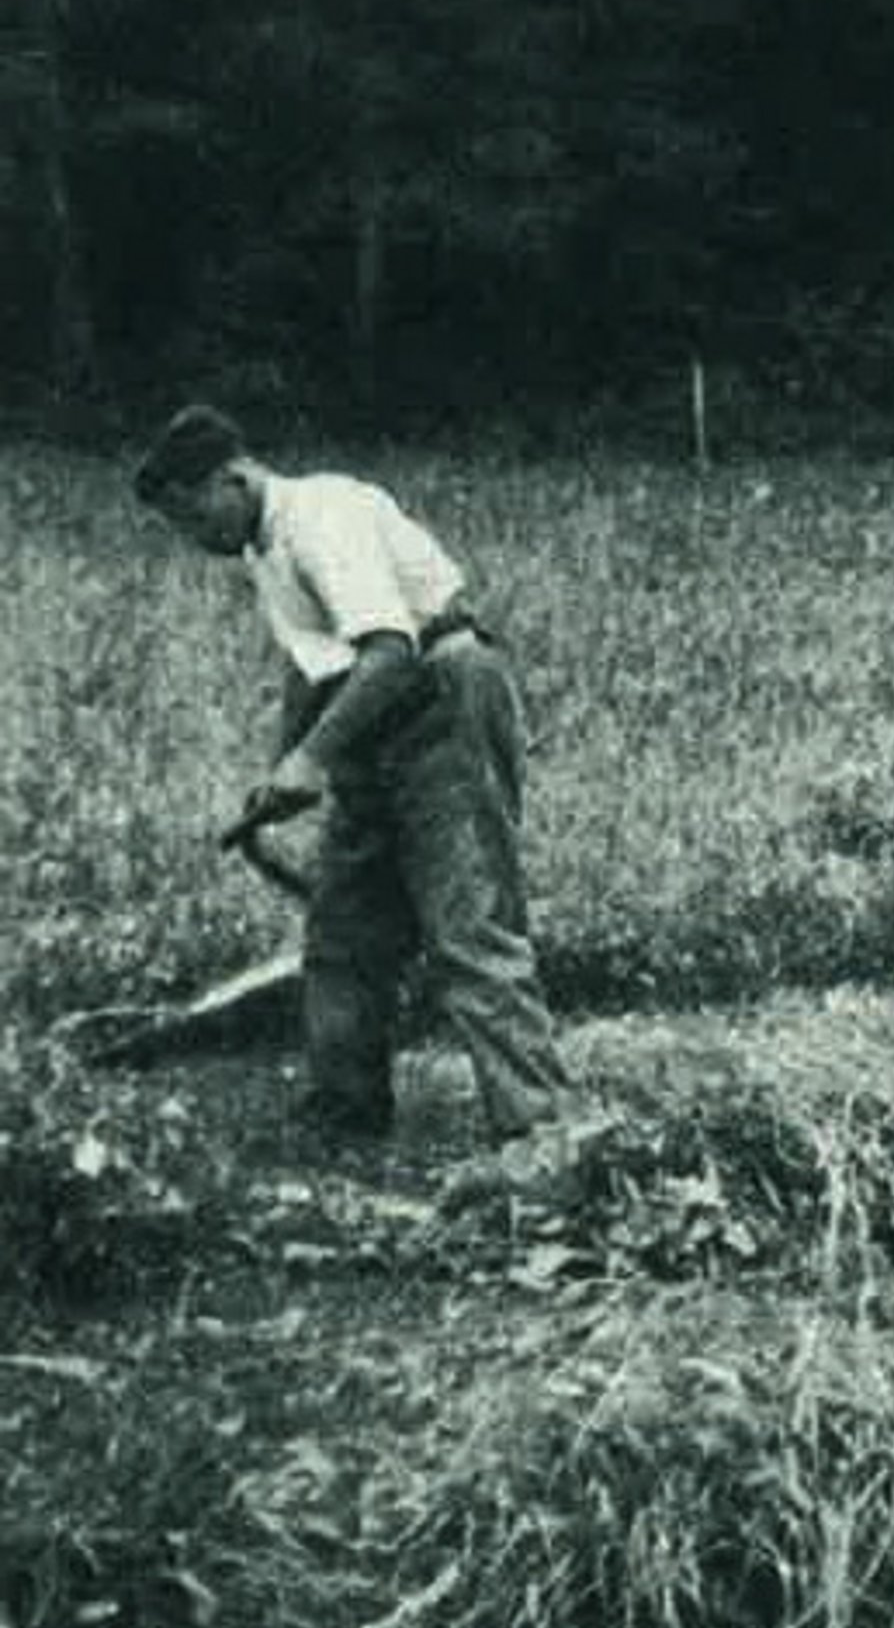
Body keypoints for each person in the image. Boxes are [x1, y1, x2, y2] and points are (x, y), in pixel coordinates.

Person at [134, 404, 573, 1160]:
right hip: (373, 715)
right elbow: (315, 666)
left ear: (232, 479)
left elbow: (390, 650)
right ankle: (344, 1114)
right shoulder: (262, 545)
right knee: (343, 932)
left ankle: (542, 1136)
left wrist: (311, 760)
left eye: (192, 513)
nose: (194, 538)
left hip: (442, 695)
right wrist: (285, 764)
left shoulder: (320, 516)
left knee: (469, 927)